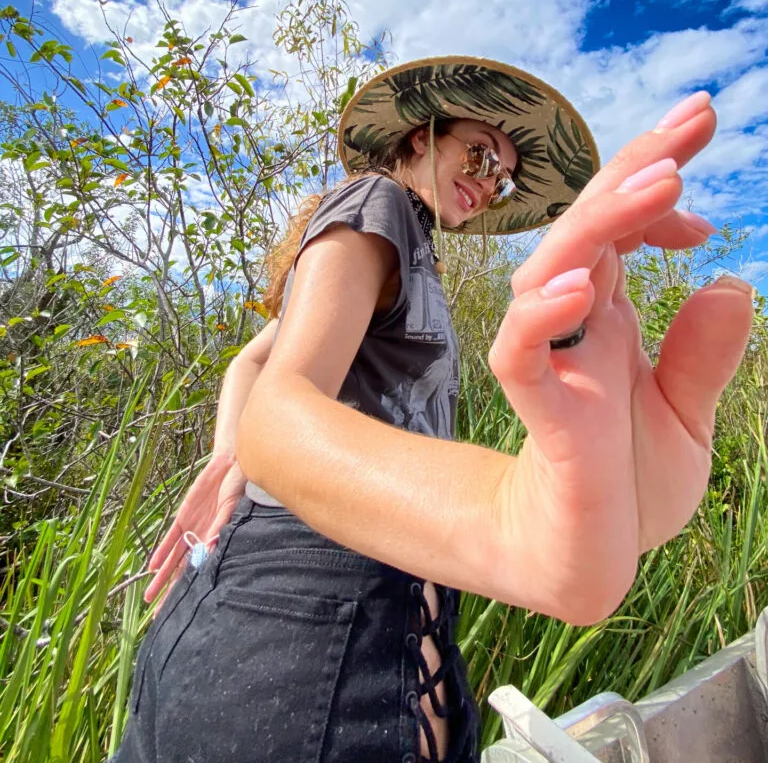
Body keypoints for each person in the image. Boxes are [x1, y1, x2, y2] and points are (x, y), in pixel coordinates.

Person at [112, 56, 754, 763]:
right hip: (299, 615)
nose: (489, 184)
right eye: (480, 155)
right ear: (422, 137)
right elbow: (280, 400)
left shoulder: (410, 246)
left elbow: (255, 359)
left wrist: (227, 453)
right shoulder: (376, 206)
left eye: (503, 176)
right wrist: (508, 520)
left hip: (384, 628)